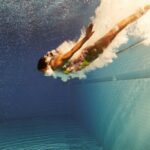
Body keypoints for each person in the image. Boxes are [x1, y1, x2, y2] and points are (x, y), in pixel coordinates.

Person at [37, 4, 150, 74]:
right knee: (117, 28)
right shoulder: (56, 64)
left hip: (90, 54)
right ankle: (145, 8)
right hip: (90, 53)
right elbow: (71, 52)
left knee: (116, 29)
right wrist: (86, 38)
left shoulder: (56, 69)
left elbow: (72, 59)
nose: (48, 54)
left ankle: (144, 9)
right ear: (45, 63)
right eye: (46, 56)